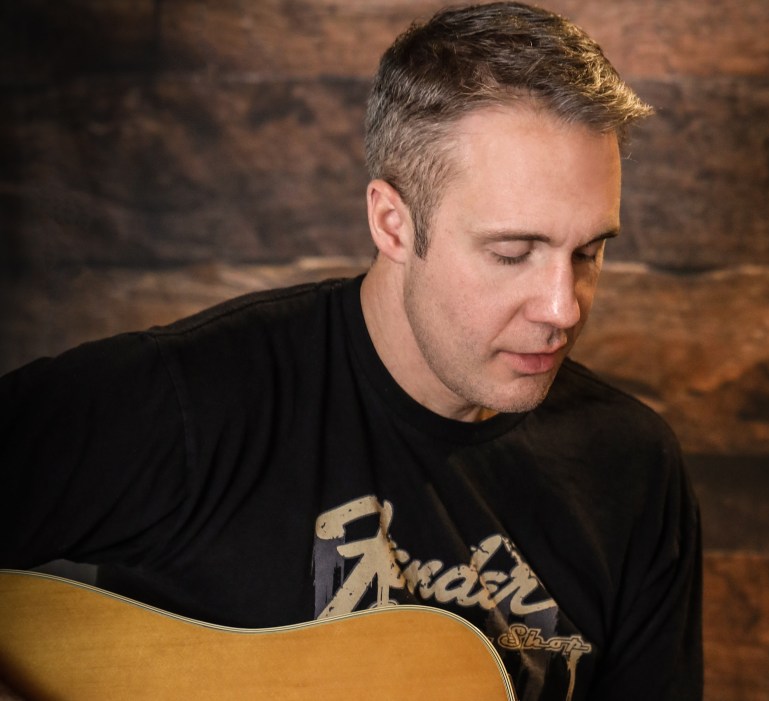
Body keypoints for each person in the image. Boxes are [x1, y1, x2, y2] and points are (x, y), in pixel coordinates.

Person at [0, 3, 702, 699]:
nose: (563, 308)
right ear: (392, 223)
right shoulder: (195, 402)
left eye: (589, 251)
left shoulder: (632, 467)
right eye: (513, 253)